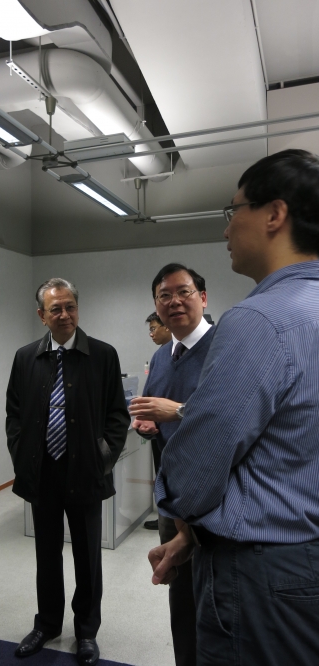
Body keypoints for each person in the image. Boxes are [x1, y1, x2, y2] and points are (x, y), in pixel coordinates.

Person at [149, 149, 319, 666]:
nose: (226, 229)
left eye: (234, 210)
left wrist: (179, 508)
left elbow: (199, 460)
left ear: (274, 214)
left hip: (261, 573)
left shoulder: (258, 320)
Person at [6, 278, 129, 666]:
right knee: (46, 554)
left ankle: (86, 631)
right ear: (41, 315)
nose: (64, 315)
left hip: (86, 472)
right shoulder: (26, 357)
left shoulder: (103, 355)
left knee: (88, 556)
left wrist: (103, 458)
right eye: (55, 309)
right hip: (42, 472)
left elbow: (117, 415)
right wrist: (21, 455)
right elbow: (14, 414)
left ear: (78, 308)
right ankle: (47, 624)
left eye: (70, 306)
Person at [130, 265, 215, 666]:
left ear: (203, 297)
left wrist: (178, 411)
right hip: (172, 500)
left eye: (184, 292)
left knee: (215, 599)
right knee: (180, 600)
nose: (174, 301)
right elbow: (156, 411)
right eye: (165, 295)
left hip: (215, 500)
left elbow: (235, 418)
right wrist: (148, 424)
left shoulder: (225, 348)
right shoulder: (162, 355)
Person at [143, 312, 172, 531]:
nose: (151, 334)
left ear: (167, 326)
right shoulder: (159, 357)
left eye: (154, 328)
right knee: (161, 477)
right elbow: (149, 394)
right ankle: (164, 516)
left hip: (180, 437)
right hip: (159, 434)